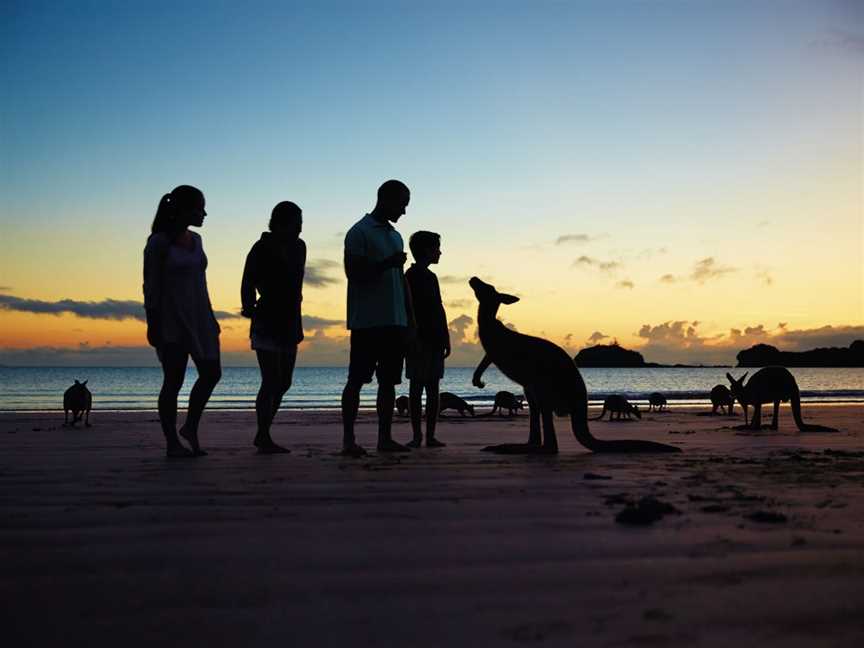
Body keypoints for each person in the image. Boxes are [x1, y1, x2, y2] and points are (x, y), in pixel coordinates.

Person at [143, 185, 221, 457]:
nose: (205, 213)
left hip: (200, 317)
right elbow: (150, 286)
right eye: (200, 207)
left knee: (212, 373)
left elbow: (202, 282)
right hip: (171, 319)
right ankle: (172, 443)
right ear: (184, 210)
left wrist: (210, 318)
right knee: (173, 381)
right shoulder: (158, 243)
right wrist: (153, 323)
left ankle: (189, 427)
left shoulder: (197, 240)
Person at [340, 180, 413, 456]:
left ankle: (385, 438)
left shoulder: (396, 236)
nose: (404, 211)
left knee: (388, 382)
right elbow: (353, 273)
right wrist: (387, 264)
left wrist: (409, 319)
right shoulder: (358, 232)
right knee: (357, 380)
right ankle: (348, 440)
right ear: (387, 199)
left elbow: (400, 281)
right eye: (402, 204)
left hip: (395, 322)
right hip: (367, 321)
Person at [241, 201, 306, 454]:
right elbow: (248, 280)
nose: (300, 229)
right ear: (280, 223)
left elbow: (296, 284)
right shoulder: (261, 247)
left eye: (301, 224)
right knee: (271, 379)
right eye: (296, 224)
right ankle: (264, 434)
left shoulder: (300, 247)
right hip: (267, 319)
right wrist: (248, 307)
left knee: (285, 381)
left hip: (290, 320)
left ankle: (263, 431)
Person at [404, 231, 450, 448]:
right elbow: (408, 308)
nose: (440, 252)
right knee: (416, 386)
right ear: (426, 251)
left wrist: (446, 336)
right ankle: (417, 435)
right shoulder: (411, 276)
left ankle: (429, 435)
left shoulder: (432, 277)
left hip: (435, 338)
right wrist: (411, 336)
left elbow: (439, 308)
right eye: (436, 248)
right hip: (418, 338)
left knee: (433, 387)